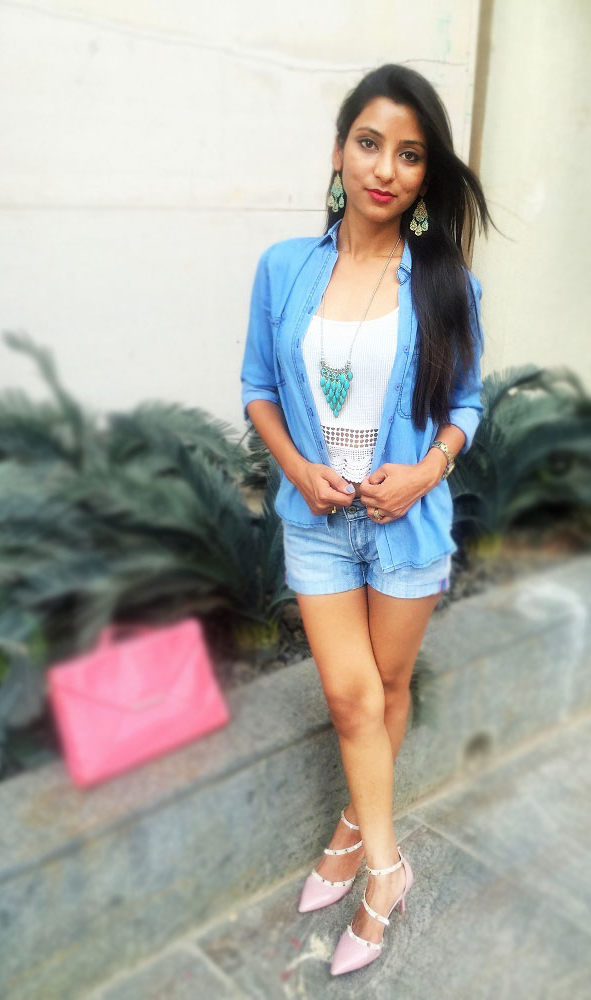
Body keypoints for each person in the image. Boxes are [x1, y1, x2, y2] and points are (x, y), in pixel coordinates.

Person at [240, 63, 493, 976]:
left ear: (427, 175)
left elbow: (467, 404)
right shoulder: (283, 268)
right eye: (370, 143)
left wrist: (425, 472)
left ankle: (354, 828)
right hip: (318, 522)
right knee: (352, 698)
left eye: (411, 154)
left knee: (387, 687)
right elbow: (257, 388)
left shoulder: (446, 283)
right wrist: (297, 467)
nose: (386, 168)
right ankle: (389, 873)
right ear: (340, 150)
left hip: (406, 527)